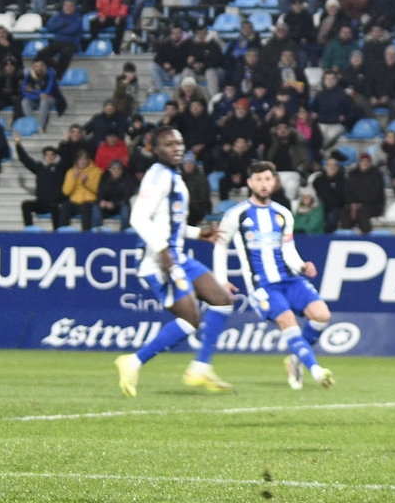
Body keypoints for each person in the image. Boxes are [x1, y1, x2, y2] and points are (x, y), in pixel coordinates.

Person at [115, 127, 238, 396]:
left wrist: (196, 232)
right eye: (169, 144)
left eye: (179, 143)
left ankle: (201, 366)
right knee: (190, 319)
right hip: (158, 261)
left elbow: (168, 222)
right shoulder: (158, 177)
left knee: (222, 300)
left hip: (177, 255)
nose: (177, 148)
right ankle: (133, 362)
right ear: (156, 150)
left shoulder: (173, 177)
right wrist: (162, 251)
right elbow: (138, 218)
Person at [212, 161, 338, 391]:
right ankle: (316, 369)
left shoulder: (282, 214)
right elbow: (220, 246)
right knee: (288, 321)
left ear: (274, 182)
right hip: (262, 285)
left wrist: (301, 265)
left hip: (289, 279)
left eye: (267, 179)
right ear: (250, 183)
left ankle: (295, 359)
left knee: (322, 315)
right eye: (258, 179)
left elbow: (288, 249)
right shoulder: (236, 214)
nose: (263, 184)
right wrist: (221, 279)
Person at [17, 140, 66, 228]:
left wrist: (64, 143)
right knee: (26, 205)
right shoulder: (39, 168)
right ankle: (29, 229)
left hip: (54, 203)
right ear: (44, 157)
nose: (50, 157)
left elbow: (66, 156)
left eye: (52, 155)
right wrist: (18, 144)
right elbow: (25, 160)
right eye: (47, 155)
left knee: (56, 208)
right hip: (41, 203)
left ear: (55, 156)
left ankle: (56, 234)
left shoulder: (60, 168)